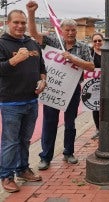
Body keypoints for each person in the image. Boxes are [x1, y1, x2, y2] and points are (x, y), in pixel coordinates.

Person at [27, 1, 95, 170]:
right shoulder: (53, 42)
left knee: (70, 123)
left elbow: (91, 66)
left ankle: (68, 152)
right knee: (50, 123)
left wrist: (72, 59)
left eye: (73, 30)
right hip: (53, 88)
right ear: (61, 31)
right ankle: (46, 156)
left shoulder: (83, 47)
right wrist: (31, 13)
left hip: (72, 90)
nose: (71, 33)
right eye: (67, 30)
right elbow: (34, 34)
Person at [0, 9, 46, 193]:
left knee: (25, 139)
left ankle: (22, 169)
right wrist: (16, 59)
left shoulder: (32, 42)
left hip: (31, 100)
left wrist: (43, 80)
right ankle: (6, 175)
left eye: (22, 23)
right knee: (10, 141)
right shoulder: (2, 43)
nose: (20, 26)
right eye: (16, 22)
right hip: (11, 102)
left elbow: (42, 67)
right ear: (8, 23)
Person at [90, 33, 104, 140]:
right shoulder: (90, 53)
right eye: (95, 41)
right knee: (95, 108)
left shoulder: (107, 53)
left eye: (99, 40)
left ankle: (105, 128)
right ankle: (98, 129)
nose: (97, 43)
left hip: (106, 85)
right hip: (94, 85)